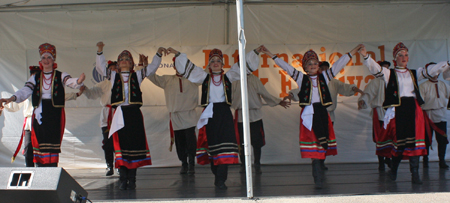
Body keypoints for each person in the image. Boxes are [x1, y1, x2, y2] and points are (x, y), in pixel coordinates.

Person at [261, 44, 362, 189]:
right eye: (310, 64)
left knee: (322, 147)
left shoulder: (325, 77)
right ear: (305, 67)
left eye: (315, 63)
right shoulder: (301, 79)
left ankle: (320, 171)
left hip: (322, 113)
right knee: (315, 150)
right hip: (309, 115)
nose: (313, 65)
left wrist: (354, 51)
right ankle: (318, 179)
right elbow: (286, 68)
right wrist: (270, 54)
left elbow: (340, 64)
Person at [166, 46, 261, 190]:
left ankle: (221, 179)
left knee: (226, 147)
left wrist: (255, 52)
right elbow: (189, 68)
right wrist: (177, 54)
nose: (216, 63)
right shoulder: (204, 78)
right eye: (213, 61)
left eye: (218, 61)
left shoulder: (229, 76)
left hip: (224, 114)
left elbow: (243, 66)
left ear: (223, 64)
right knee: (213, 147)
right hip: (210, 115)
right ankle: (217, 175)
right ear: (209, 65)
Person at [359, 42, 450, 184]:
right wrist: (366, 56)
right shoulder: (390, 73)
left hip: (413, 110)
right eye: (400, 55)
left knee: (414, 143)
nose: (404, 57)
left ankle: (415, 174)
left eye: (406, 55)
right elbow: (375, 69)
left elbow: (431, 70)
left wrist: (446, 63)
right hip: (398, 110)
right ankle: (393, 170)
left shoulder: (414, 73)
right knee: (399, 143)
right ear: (395, 59)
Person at [0, 43, 85, 167]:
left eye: (49, 57)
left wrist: (78, 81)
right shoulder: (35, 77)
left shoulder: (60, 75)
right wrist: (11, 98)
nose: (46, 60)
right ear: (41, 60)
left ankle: (51, 170)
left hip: (55, 113)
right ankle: (40, 172)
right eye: (44, 57)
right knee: (40, 142)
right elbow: (24, 91)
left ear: (53, 59)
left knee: (53, 142)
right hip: (40, 113)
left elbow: (70, 81)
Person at [96, 41, 165, 190]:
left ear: (132, 63)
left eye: (127, 59)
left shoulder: (138, 75)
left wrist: (158, 54)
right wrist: (100, 51)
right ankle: (122, 178)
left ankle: (132, 179)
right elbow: (101, 68)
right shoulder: (114, 76)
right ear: (118, 64)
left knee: (134, 146)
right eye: (121, 60)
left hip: (134, 114)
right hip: (119, 114)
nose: (124, 61)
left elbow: (152, 68)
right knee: (121, 146)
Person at [289, 61, 364, 171]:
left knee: (325, 140)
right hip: (313, 115)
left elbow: (345, 87)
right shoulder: (310, 80)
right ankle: (316, 163)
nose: (323, 70)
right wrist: (291, 95)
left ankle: (321, 162)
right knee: (315, 140)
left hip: (328, 115)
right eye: (322, 68)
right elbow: (299, 90)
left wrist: (354, 88)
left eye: (326, 68)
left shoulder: (333, 82)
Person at [147, 55, 199, 175]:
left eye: (181, 64)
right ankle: (184, 163)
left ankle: (191, 163)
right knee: (180, 141)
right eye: (177, 64)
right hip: (176, 116)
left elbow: (205, 75)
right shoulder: (167, 79)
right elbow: (151, 76)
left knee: (190, 140)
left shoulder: (193, 78)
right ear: (174, 67)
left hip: (189, 114)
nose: (179, 67)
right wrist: (144, 66)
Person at [231, 68, 289, 174]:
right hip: (241, 116)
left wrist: (279, 101)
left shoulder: (254, 79)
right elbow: (228, 96)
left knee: (257, 142)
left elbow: (265, 93)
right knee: (242, 143)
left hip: (255, 115)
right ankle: (243, 165)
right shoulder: (234, 80)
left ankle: (257, 163)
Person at [83, 58, 117, 176]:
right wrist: (84, 89)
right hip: (107, 115)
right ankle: (109, 165)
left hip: (118, 113)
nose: (113, 71)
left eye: (115, 69)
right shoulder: (103, 84)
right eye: (111, 69)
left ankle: (120, 164)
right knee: (107, 142)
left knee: (119, 141)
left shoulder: (121, 83)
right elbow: (92, 93)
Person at [358, 61, 392, 171]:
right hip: (380, 112)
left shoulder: (393, 81)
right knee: (379, 138)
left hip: (391, 113)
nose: (385, 70)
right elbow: (368, 93)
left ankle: (388, 158)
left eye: (387, 68)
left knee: (391, 137)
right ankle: (381, 162)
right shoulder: (376, 82)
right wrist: (363, 101)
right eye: (383, 68)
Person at [419, 62, 450, 169]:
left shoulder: (444, 85)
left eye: (437, 71)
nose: (435, 73)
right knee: (426, 139)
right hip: (427, 115)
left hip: (441, 115)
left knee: (442, 140)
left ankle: (442, 160)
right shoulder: (423, 86)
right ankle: (425, 160)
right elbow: (420, 102)